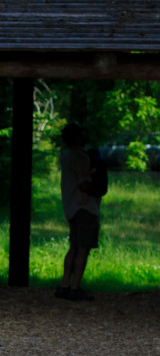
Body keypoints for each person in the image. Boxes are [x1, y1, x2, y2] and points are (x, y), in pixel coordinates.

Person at [55, 122, 102, 301]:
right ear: (76, 137)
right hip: (84, 208)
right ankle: (75, 288)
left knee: (73, 247)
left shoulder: (65, 156)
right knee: (83, 249)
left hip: (71, 207)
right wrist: (98, 191)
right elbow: (84, 183)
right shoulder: (80, 157)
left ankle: (64, 285)